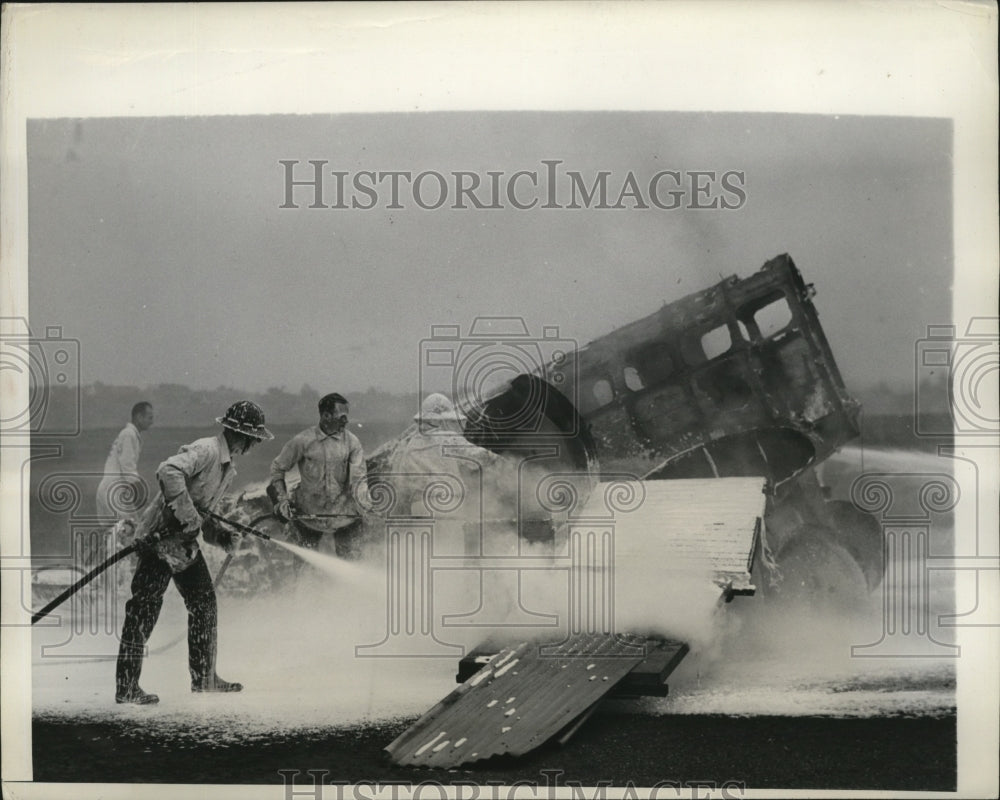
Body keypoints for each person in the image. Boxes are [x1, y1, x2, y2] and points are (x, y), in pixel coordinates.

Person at [114, 401, 273, 705]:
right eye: (252, 439)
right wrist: (187, 514)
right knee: (144, 611)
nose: (253, 446)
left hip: (182, 546)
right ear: (239, 434)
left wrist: (222, 537)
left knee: (204, 604)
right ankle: (127, 687)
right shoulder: (208, 450)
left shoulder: (227, 467)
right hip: (158, 542)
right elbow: (168, 470)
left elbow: (202, 515)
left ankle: (204, 678)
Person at [269, 393, 371, 560]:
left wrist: (365, 504)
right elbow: (277, 468)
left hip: (344, 517)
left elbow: (359, 479)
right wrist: (281, 500)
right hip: (308, 517)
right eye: (342, 417)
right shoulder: (302, 441)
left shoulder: (353, 443)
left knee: (352, 562)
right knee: (304, 566)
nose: (346, 421)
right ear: (326, 416)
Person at [96, 401, 154, 520]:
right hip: (114, 491)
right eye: (150, 418)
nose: (152, 422)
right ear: (139, 417)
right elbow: (127, 465)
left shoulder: (129, 433)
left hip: (111, 489)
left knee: (115, 533)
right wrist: (138, 487)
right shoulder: (129, 434)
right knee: (128, 531)